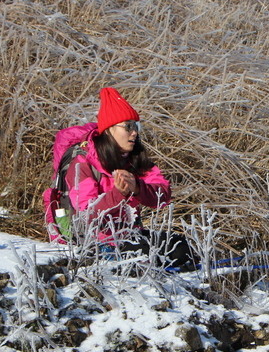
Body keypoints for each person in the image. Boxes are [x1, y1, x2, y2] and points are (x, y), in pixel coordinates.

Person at [67, 87, 195, 269]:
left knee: (180, 247)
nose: (134, 132)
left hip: (130, 235)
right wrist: (117, 194)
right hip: (96, 244)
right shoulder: (82, 164)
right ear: (109, 129)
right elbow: (86, 215)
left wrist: (138, 188)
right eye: (128, 126)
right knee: (145, 254)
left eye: (136, 126)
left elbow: (163, 195)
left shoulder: (134, 159)